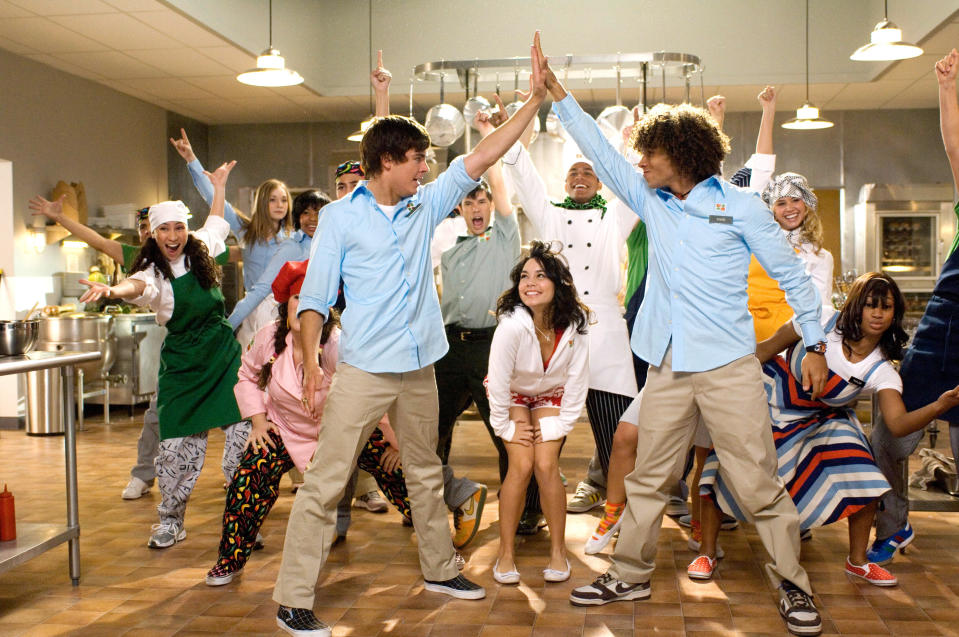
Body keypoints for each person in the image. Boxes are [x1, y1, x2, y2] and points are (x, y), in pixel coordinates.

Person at [535, 35, 828, 637]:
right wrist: (557, 96)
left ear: (682, 153)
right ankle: (630, 573)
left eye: (650, 154)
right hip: (666, 364)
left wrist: (816, 343)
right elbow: (601, 150)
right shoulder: (651, 199)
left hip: (728, 367)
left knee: (757, 484)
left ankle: (793, 587)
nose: (639, 163)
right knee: (646, 477)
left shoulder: (743, 208)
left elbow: (796, 281)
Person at [271, 33, 548, 637]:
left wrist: (534, 102)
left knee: (425, 470)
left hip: (422, 363)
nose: (427, 168)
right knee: (327, 479)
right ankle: (293, 598)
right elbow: (314, 298)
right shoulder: (342, 218)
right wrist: (313, 360)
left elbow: (483, 155)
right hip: (366, 368)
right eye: (418, 159)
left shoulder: (426, 203)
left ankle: (440, 568)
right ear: (389, 163)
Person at [698, 273, 959, 586]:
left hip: (821, 421)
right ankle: (707, 552)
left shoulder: (881, 369)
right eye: (869, 305)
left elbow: (898, 424)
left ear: (894, 314)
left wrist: (940, 406)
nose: (877, 313)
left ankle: (858, 562)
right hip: (768, 403)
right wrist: (723, 386)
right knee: (725, 464)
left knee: (865, 471)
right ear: (855, 307)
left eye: (885, 307)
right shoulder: (819, 318)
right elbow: (765, 350)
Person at [205, 260, 414, 586]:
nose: (305, 309)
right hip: (284, 429)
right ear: (286, 305)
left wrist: (394, 441)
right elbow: (246, 378)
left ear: (327, 310)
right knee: (247, 480)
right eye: (298, 299)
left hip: (340, 430)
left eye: (314, 302)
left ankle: (436, 540)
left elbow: (371, 393)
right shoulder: (267, 338)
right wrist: (258, 423)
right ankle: (230, 558)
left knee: (398, 470)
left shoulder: (338, 344)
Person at [78, 161, 250, 549]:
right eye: (163, 229)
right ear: (152, 235)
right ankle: (171, 520)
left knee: (243, 441)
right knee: (174, 450)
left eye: (178, 227)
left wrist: (219, 186)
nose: (172, 235)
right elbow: (133, 285)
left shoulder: (202, 249)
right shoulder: (153, 275)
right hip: (184, 369)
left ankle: (243, 519)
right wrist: (110, 292)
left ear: (185, 230)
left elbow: (217, 218)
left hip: (224, 361)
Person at [501, 95, 638, 520]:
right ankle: (532, 508)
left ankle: (620, 511)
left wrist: (630, 147)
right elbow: (523, 178)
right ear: (565, 184)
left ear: (600, 183)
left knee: (617, 433)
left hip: (608, 333)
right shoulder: (552, 217)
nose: (581, 176)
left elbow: (634, 185)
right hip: (559, 333)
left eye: (589, 172)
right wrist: (516, 119)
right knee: (543, 433)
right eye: (573, 172)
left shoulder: (615, 216)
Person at [869, 48, 959, 566]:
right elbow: (953, 147)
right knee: (889, 436)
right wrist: (947, 89)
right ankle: (894, 523)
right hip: (936, 339)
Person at [26, 199, 170, 501]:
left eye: (153, 227)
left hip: (208, 349)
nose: (147, 233)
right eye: (143, 228)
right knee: (155, 416)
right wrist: (60, 217)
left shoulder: (185, 253)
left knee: (235, 417)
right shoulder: (136, 257)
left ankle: (250, 475)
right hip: (177, 353)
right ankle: (143, 475)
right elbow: (97, 240)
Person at [434, 104, 522, 551]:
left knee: (502, 432)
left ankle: (521, 512)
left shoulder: (506, 237)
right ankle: (431, 507)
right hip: (448, 347)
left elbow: (501, 190)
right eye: (469, 199)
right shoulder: (449, 242)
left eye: (482, 198)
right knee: (435, 431)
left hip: (491, 347)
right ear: (460, 206)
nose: (477, 205)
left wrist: (489, 135)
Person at [486, 241, 589, 584]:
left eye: (541, 276)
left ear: (558, 284)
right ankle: (505, 554)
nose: (530, 283)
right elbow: (499, 383)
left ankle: (558, 552)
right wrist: (505, 427)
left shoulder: (575, 325)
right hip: (513, 394)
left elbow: (577, 381)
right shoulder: (511, 327)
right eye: (524, 277)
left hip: (551, 394)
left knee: (546, 465)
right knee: (521, 464)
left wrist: (561, 423)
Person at [169, 129, 293, 344]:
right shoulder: (247, 231)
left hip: (284, 310)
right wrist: (191, 159)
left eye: (283, 200)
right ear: (263, 202)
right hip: (251, 310)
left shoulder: (293, 239)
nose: (279, 205)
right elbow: (213, 198)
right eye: (273, 200)